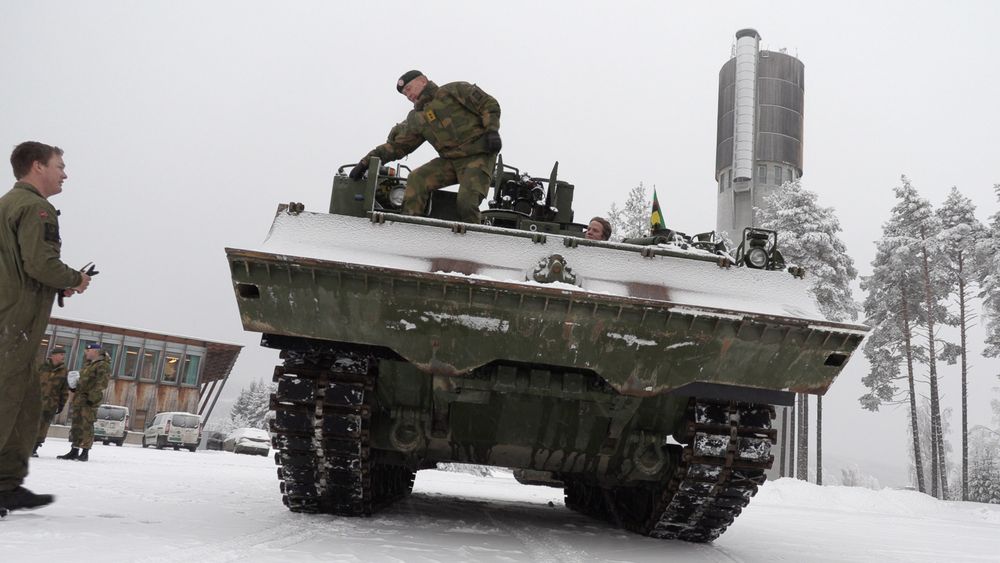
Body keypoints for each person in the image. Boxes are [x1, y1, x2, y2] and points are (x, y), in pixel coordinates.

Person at [0, 141, 90, 514]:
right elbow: (39, 263)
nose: (64, 173)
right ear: (38, 166)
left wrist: (58, 283)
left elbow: (20, 265)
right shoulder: (36, 209)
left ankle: (5, 485)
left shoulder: (6, 204)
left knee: (26, 404)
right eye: (59, 165)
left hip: (12, 319)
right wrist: (74, 279)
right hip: (14, 322)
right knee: (5, 402)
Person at [350, 70, 502, 224]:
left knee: (466, 203)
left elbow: (488, 104)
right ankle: (408, 230)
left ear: (422, 80)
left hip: (478, 156)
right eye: (404, 94)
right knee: (417, 178)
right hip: (450, 161)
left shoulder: (454, 90)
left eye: (408, 89)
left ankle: (474, 242)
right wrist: (365, 162)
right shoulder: (417, 118)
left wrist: (492, 131)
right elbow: (397, 146)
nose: (408, 95)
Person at [58, 343, 110, 462]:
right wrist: (74, 387)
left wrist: (91, 397)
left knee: (86, 425)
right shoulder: (88, 365)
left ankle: (85, 451)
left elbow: (101, 383)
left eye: (88, 350)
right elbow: (84, 381)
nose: (86, 353)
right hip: (79, 399)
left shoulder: (102, 365)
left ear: (95, 351)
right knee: (76, 425)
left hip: (89, 400)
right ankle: (74, 450)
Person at [33, 347, 69, 457]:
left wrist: (62, 404)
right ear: (53, 355)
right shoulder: (41, 367)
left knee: (43, 427)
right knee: (31, 424)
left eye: (63, 355)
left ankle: (34, 448)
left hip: (51, 404)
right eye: (61, 354)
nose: (63, 357)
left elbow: (64, 389)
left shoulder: (64, 371)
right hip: (35, 402)